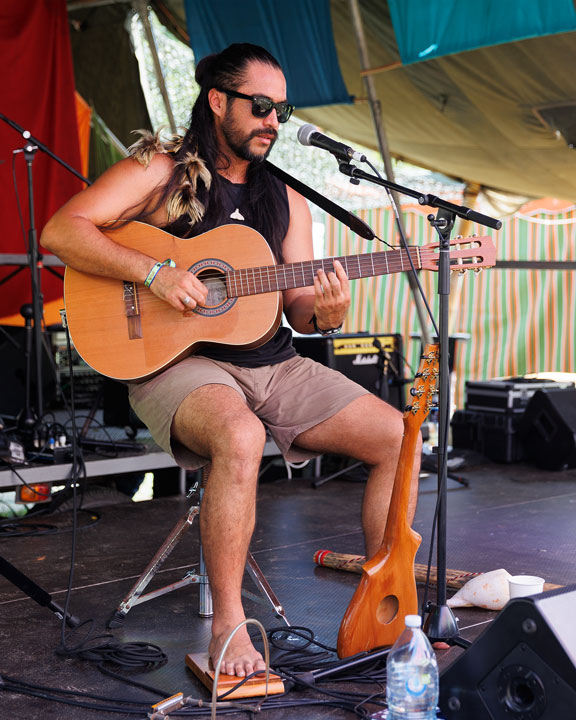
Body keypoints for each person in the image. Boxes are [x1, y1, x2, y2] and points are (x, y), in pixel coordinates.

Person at [41, 43, 421, 678]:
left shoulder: (288, 198)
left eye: (281, 109)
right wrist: (154, 271)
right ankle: (227, 627)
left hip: (272, 360)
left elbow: (301, 311)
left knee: (398, 434)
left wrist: (327, 314)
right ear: (218, 101)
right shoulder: (160, 171)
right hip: (174, 362)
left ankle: (387, 606)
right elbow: (62, 230)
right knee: (240, 436)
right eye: (260, 106)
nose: (273, 120)